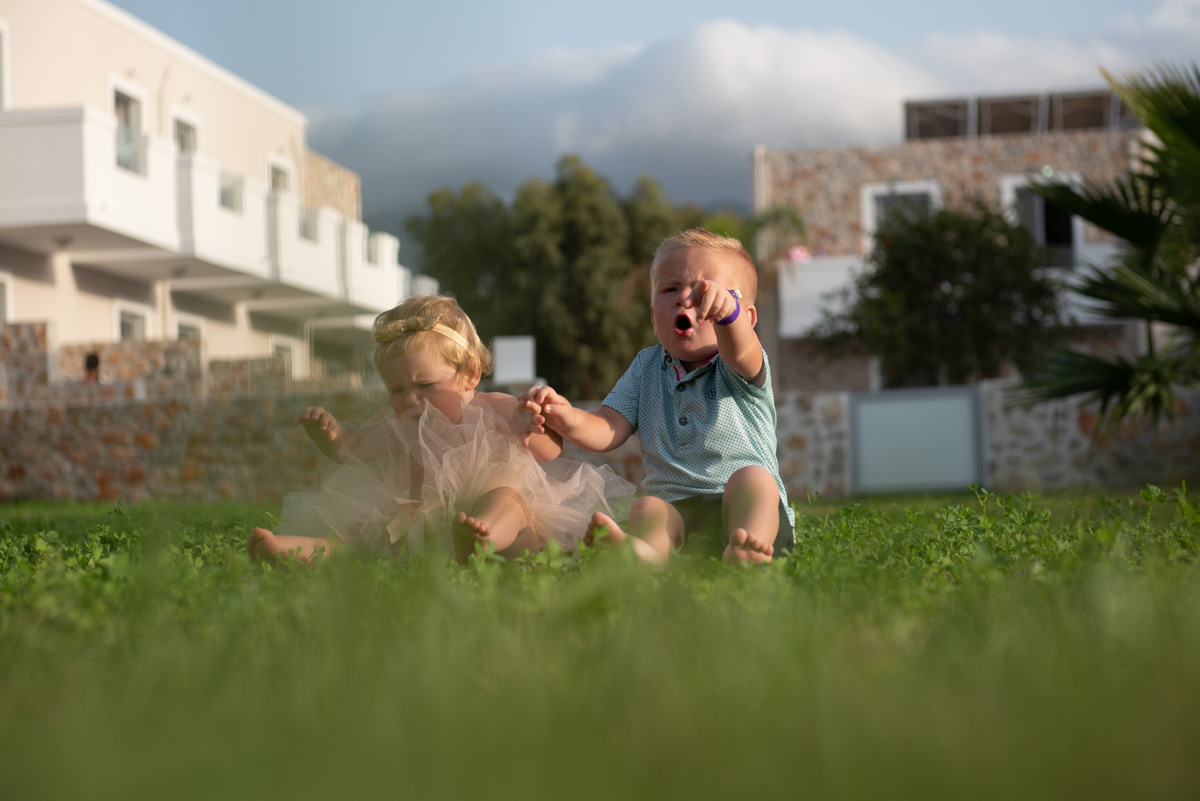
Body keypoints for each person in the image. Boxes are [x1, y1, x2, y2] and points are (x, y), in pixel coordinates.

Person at [247, 295, 633, 565]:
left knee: (506, 496)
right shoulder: (398, 425)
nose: (410, 399)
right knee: (358, 535)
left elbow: (551, 451)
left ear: (470, 374)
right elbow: (357, 448)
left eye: (425, 385)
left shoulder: (491, 406)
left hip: (512, 536)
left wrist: (529, 428)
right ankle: (299, 550)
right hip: (423, 531)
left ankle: (484, 535)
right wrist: (333, 435)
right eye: (397, 389)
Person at [516, 228, 795, 565]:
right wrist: (568, 418)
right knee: (647, 507)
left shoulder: (739, 364)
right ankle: (646, 554)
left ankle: (750, 546)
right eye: (670, 288)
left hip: (740, 507)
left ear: (746, 317)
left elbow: (741, 348)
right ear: (653, 315)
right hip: (677, 514)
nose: (684, 298)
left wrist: (728, 315)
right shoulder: (645, 368)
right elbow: (608, 426)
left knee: (754, 479)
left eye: (705, 290)